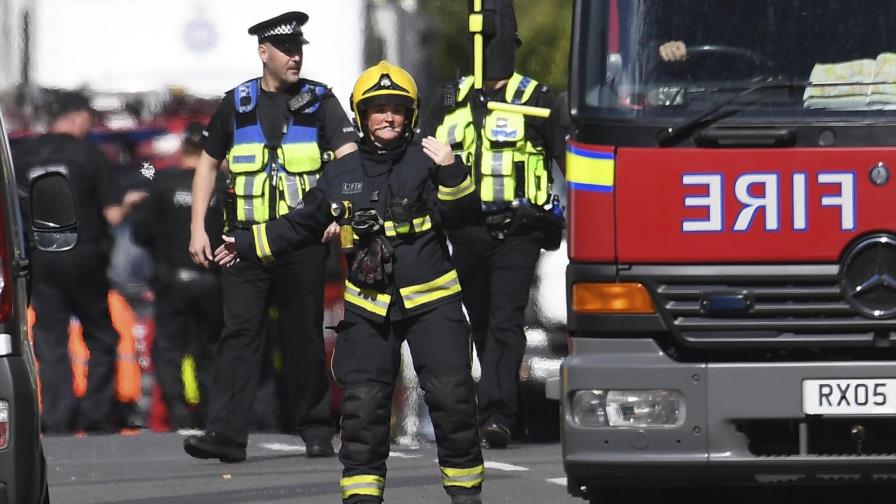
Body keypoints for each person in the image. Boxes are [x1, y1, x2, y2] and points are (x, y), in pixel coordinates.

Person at [216, 61, 484, 504]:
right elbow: (301, 224)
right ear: (360, 117)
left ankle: (466, 496)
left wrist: (453, 170)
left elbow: (464, 217)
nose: (388, 118)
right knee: (362, 410)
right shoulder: (340, 173)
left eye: (397, 109)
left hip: (433, 301)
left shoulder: (431, 157)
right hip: (369, 305)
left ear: (411, 115)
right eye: (377, 109)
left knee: (453, 400)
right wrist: (247, 242)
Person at [184, 11, 358, 462]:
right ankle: (225, 434)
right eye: (286, 50)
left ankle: (317, 429)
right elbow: (206, 164)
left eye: (299, 49)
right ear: (265, 53)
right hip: (240, 243)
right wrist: (197, 227)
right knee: (239, 335)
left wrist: (341, 209)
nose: (295, 57)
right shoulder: (236, 103)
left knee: (302, 335)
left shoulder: (320, 101)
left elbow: (348, 157)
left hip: (299, 243)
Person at [420, 0, 566, 449]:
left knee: (505, 323)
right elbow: (420, 165)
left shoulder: (540, 103)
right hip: (465, 231)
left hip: (518, 231)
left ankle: (497, 416)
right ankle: (496, 406)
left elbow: (577, 168)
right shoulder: (450, 100)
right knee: (479, 323)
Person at [14, 91, 144, 433]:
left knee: (50, 337)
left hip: (41, 256)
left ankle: (56, 417)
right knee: (101, 335)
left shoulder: (24, 154)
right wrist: (132, 201)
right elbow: (113, 215)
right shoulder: (88, 153)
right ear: (77, 117)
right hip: (83, 253)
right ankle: (96, 415)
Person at [131, 123, 224, 429]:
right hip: (212, 280)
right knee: (208, 349)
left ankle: (177, 408)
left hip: (172, 279)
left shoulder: (162, 183)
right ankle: (210, 412)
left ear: (184, 149)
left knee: (170, 348)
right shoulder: (221, 185)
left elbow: (139, 232)